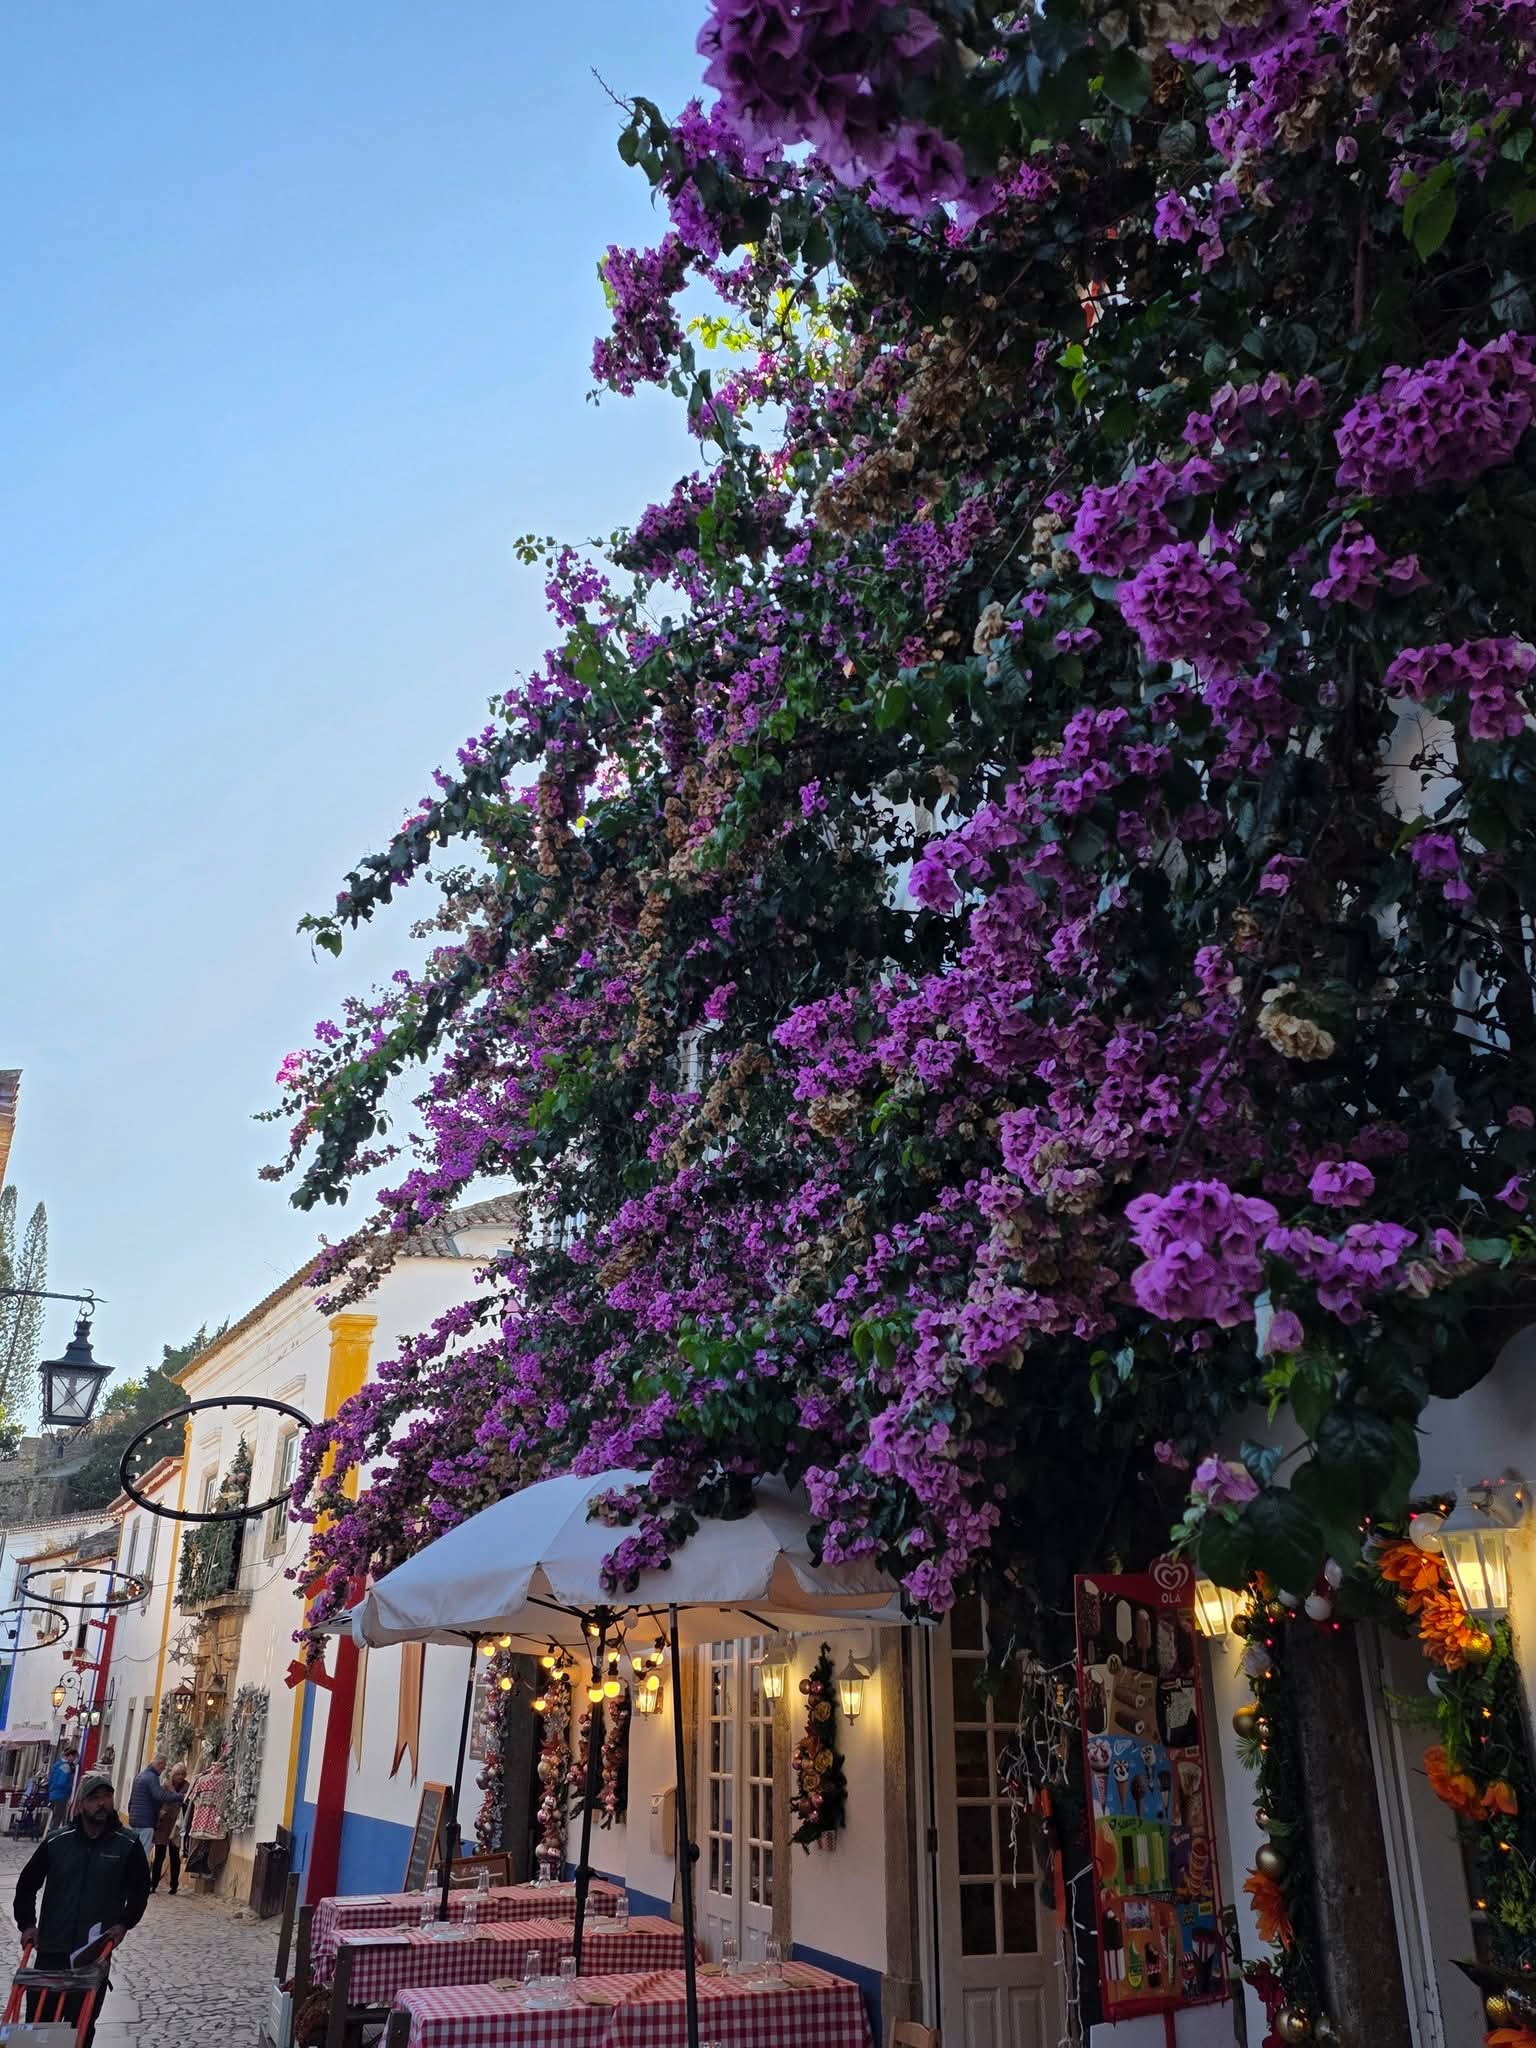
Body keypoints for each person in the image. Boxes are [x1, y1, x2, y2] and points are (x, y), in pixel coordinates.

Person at [13, 1768, 149, 2047]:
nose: (102, 1804)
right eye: (94, 1798)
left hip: (93, 1954)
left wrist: (124, 1924)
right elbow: (27, 1884)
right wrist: (27, 1924)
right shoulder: (57, 1841)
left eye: (106, 1797)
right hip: (51, 1950)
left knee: (81, 2029)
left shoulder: (127, 1844)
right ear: (81, 1803)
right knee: (40, 2028)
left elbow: (140, 1890)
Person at [150, 1763, 188, 1895]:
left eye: (183, 1774)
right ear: (173, 1774)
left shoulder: (187, 1786)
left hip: (177, 1825)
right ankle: (153, 1884)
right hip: (164, 1823)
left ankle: (174, 1885)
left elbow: (187, 1803)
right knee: (159, 1856)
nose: (180, 1777)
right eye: (178, 1774)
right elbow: (159, 1801)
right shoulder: (165, 1785)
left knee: (175, 1857)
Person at [126, 1752, 166, 1860]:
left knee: (133, 1852)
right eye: (163, 1767)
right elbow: (158, 1797)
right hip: (146, 1823)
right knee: (142, 1855)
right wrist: (179, 1796)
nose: (163, 1770)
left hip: (134, 1821)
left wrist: (131, 1816)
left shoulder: (139, 1776)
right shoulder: (153, 1778)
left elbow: (131, 1801)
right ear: (159, 1764)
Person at [45, 1746, 78, 1834]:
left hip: (53, 1795)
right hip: (61, 1795)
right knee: (58, 1818)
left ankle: (51, 1834)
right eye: (74, 1757)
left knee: (55, 1817)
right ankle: (53, 1836)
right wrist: (70, 1787)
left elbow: (51, 1780)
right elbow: (62, 1782)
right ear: (70, 1756)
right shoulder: (66, 1767)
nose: (74, 1760)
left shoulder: (57, 1764)